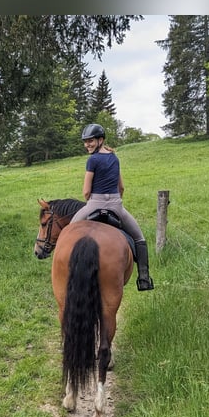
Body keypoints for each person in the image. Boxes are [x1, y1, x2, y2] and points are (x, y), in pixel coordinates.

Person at [70, 123, 154, 291]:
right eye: (85, 142)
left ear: (100, 140)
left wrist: (92, 201)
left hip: (94, 204)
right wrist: (115, 202)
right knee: (139, 238)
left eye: (90, 141)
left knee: (69, 231)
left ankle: (67, 272)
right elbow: (121, 187)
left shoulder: (92, 160)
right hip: (116, 206)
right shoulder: (115, 158)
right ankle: (144, 278)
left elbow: (86, 191)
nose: (87, 145)